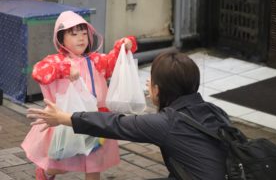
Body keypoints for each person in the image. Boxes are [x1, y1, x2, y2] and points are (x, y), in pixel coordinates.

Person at [27, 51, 231, 180]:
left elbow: (116, 124)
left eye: (150, 81)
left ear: (158, 90)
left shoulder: (168, 123)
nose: (147, 85)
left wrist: (64, 118)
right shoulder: (214, 111)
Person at [22, 10, 137, 180]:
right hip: (65, 119)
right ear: (61, 38)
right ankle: (46, 172)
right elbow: (39, 72)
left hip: (96, 118)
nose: (81, 38)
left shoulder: (95, 60)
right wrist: (64, 69)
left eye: (84, 33)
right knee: (60, 164)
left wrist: (125, 45)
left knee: (94, 165)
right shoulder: (57, 60)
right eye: (74, 34)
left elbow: (113, 61)